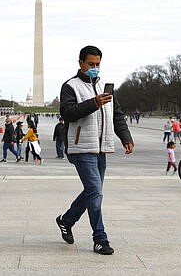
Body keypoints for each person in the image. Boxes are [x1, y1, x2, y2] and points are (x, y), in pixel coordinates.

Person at [56, 45, 134, 255]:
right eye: (91, 64)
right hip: (81, 148)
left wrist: (125, 137)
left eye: (98, 64)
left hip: (101, 148)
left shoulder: (104, 87)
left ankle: (66, 220)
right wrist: (93, 103)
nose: (95, 68)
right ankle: (100, 238)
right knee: (95, 192)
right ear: (81, 63)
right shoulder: (70, 86)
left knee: (93, 192)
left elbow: (117, 115)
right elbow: (68, 113)